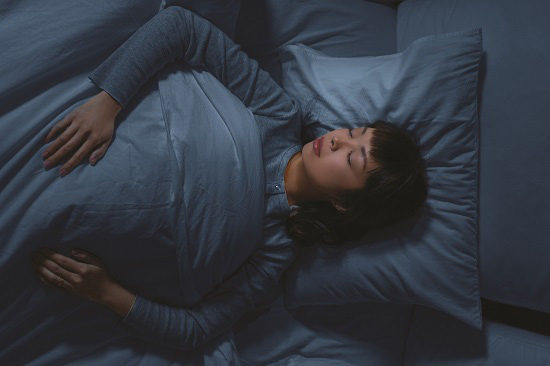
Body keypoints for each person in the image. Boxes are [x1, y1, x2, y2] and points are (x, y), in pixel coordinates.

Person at [31, 6, 427, 351]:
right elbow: (181, 27)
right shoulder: (278, 114)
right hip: (99, 141)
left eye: (353, 160)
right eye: (354, 132)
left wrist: (105, 292)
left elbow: (198, 329)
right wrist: (108, 102)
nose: (337, 140)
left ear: (345, 203)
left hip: (88, 224)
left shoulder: (276, 248)